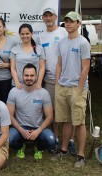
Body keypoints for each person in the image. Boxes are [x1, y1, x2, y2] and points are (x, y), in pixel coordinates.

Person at [51, 11, 91, 168]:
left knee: (79, 122)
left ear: (78, 24)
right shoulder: (61, 42)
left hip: (76, 88)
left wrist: (80, 89)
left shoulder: (83, 42)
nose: (68, 23)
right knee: (66, 121)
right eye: (66, 21)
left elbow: (86, 68)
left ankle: (80, 155)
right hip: (62, 86)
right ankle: (64, 149)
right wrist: (57, 83)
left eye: (71, 21)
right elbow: (59, 64)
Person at [39, 8, 77, 155]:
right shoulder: (41, 37)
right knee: (52, 111)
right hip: (49, 79)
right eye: (45, 15)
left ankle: (71, 140)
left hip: (66, 79)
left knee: (68, 111)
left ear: (55, 17)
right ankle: (55, 138)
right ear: (42, 18)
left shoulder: (63, 31)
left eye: (51, 15)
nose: (48, 18)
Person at [7, 63, 55, 160]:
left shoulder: (43, 93)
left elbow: (50, 117)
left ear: (36, 76)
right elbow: (9, 115)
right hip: (19, 127)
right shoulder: (14, 92)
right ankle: (20, 146)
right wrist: (22, 130)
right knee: (8, 139)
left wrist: (38, 131)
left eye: (32, 75)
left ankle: (38, 147)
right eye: (26, 75)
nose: (29, 78)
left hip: (38, 127)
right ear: (22, 76)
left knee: (51, 140)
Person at [10, 23, 46, 89]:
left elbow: (42, 67)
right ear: (19, 35)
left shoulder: (39, 48)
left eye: (27, 33)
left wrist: (39, 82)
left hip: (34, 85)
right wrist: (17, 82)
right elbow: (13, 68)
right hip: (18, 85)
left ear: (31, 34)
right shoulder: (14, 49)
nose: (25, 36)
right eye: (22, 34)